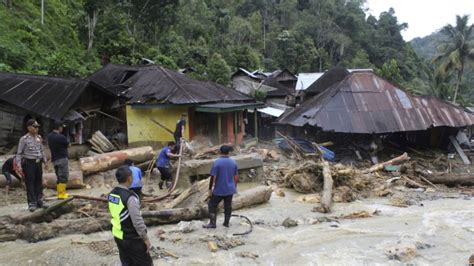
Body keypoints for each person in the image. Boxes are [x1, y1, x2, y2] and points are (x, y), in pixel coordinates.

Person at [108, 166, 153, 266]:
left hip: (118, 235)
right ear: (129, 178)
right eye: (132, 176)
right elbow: (137, 220)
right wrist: (145, 239)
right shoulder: (130, 197)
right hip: (131, 238)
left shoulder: (112, 194)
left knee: (127, 262)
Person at [203, 145, 238, 229]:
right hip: (230, 189)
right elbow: (236, 177)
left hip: (219, 189)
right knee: (228, 206)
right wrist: (234, 187)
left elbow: (213, 177)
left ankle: (212, 223)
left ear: (220, 152)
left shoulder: (217, 162)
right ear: (228, 152)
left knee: (212, 205)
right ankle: (226, 223)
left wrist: (210, 189)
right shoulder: (233, 162)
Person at [16, 119, 48, 212]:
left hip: (38, 163)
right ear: (29, 128)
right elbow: (19, 153)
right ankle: (32, 203)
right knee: (30, 183)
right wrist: (19, 166)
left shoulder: (39, 137)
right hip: (29, 163)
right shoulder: (24, 139)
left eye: (37, 127)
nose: (36, 129)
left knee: (38, 182)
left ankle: (39, 200)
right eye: (35, 127)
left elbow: (42, 150)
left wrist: (45, 162)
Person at [47, 121, 70, 199]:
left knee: (58, 176)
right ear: (59, 127)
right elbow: (68, 145)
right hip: (62, 158)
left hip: (54, 159)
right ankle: (62, 194)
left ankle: (59, 193)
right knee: (64, 176)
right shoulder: (61, 137)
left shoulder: (49, 136)